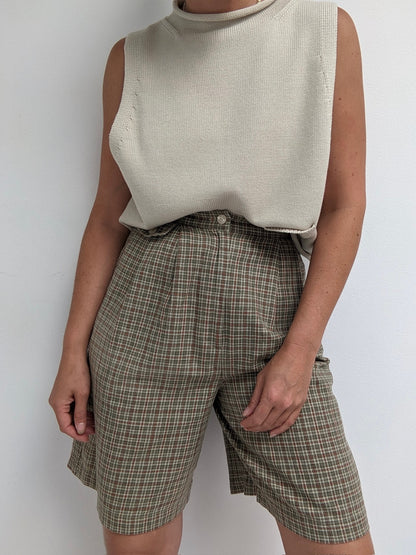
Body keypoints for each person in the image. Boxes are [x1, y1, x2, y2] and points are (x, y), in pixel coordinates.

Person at [48, 0, 376, 553]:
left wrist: (301, 349)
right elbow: (107, 216)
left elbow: (344, 204)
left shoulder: (324, 29)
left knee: (337, 535)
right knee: (137, 542)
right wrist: (72, 352)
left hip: (272, 318)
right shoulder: (132, 57)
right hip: (143, 316)